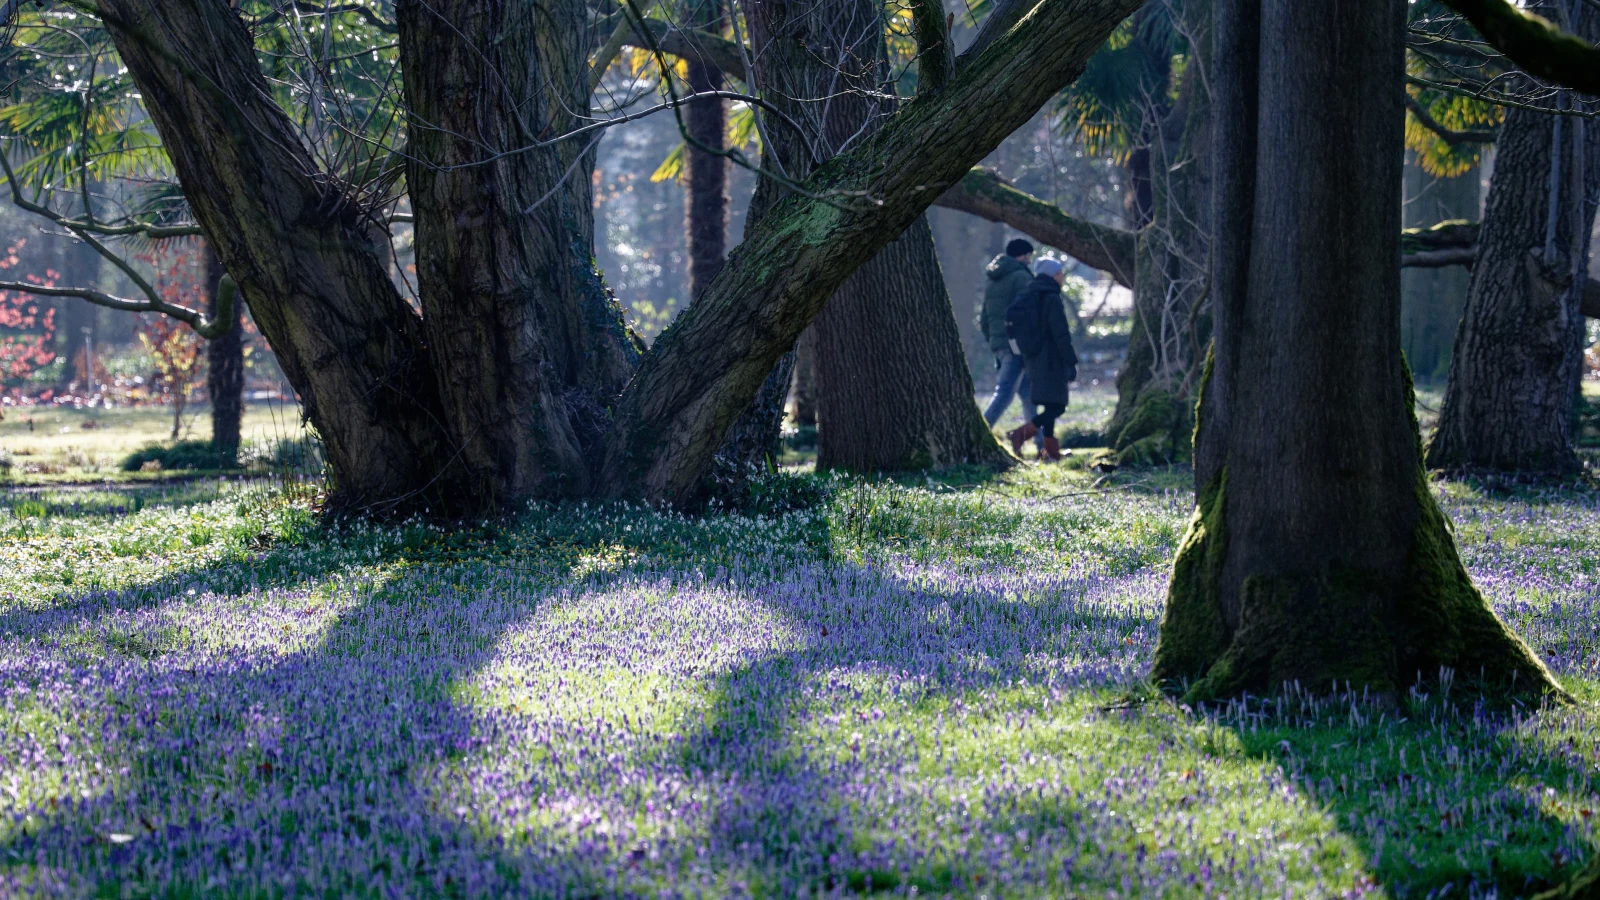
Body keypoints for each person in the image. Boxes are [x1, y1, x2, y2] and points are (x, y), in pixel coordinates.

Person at [1005, 257, 1078, 462]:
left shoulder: (1031, 294)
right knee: (1058, 406)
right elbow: (1060, 333)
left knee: (1049, 404)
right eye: (1060, 273)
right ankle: (1020, 434)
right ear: (1053, 275)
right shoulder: (1051, 297)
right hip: (1052, 359)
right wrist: (1071, 361)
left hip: (1034, 358)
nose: (1062, 277)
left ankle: (1050, 452)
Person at [980, 238, 1038, 428]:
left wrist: (994, 341)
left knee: (1029, 394)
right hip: (1017, 346)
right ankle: (981, 433)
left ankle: (1042, 446)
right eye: (1029, 256)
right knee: (1004, 394)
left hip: (1000, 344)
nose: (1030, 261)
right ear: (1021, 255)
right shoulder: (1021, 277)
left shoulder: (993, 279)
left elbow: (984, 318)